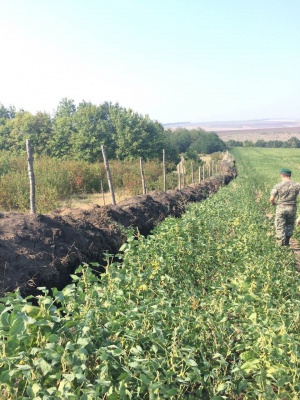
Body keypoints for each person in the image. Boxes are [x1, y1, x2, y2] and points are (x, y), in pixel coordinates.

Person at [270, 168, 300, 246]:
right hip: (292, 208)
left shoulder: (278, 185)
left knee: (280, 225)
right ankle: (287, 241)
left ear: (282, 175)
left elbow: (271, 198)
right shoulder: (297, 185)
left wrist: (273, 203)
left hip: (281, 207)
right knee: (289, 224)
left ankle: (281, 244)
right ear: (290, 175)